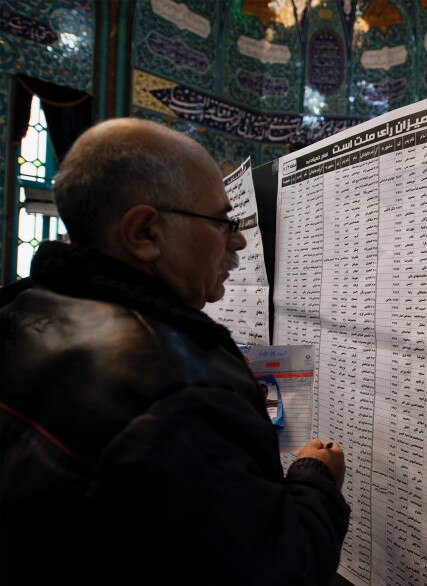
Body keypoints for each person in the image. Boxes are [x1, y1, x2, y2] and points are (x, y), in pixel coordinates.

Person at [0, 118, 350, 585]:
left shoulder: (19, 311)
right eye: (221, 222)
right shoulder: (183, 394)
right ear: (145, 232)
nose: (239, 239)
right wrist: (315, 479)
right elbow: (281, 571)